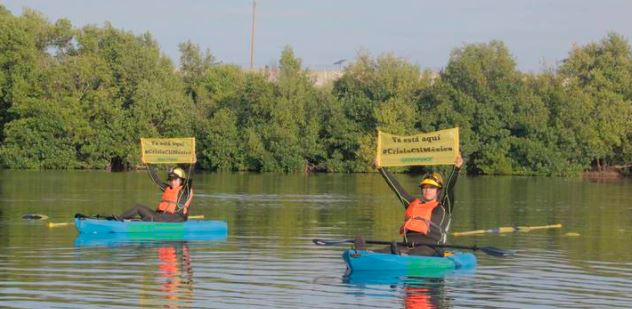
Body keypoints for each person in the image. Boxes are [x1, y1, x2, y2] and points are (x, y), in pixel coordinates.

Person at [373, 153, 463, 256]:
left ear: (438, 191)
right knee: (384, 251)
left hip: (431, 249)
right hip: (405, 246)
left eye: (431, 187)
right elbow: (397, 188)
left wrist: (456, 169)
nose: (427, 190)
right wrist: (380, 168)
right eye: (424, 187)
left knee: (416, 252)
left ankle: (400, 257)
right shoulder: (412, 203)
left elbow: (449, 189)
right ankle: (364, 253)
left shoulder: (444, 207)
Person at [117, 166, 193, 222]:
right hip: (160, 216)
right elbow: (156, 180)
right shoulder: (168, 188)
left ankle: (146, 221)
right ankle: (120, 219)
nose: (172, 182)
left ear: (182, 181)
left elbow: (190, 177)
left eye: (175, 179)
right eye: (171, 179)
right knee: (138, 207)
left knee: (149, 218)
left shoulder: (185, 191)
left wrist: (193, 164)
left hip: (175, 218)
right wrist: (148, 165)